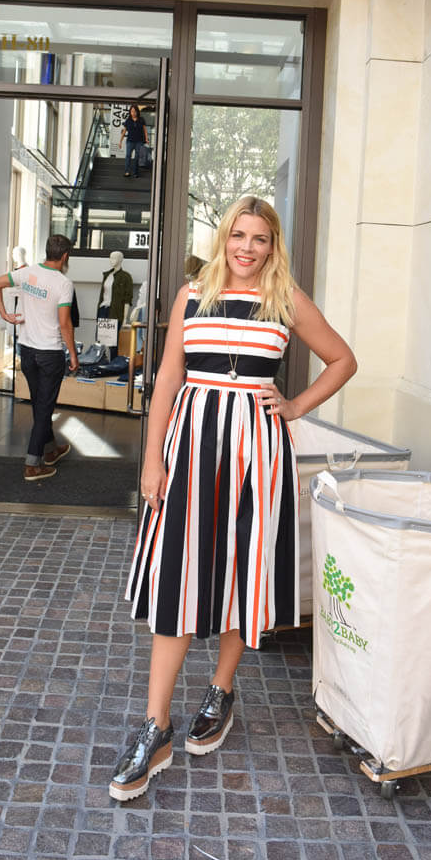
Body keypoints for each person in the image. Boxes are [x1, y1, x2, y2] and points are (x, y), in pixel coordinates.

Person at [109, 195, 357, 801]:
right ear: (224, 238)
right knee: (178, 577)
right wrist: (151, 459)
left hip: (258, 455)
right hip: (191, 450)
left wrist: (294, 406)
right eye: (239, 235)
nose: (247, 247)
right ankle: (155, 726)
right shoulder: (192, 295)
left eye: (260, 238)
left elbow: (342, 360)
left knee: (243, 573)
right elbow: (168, 379)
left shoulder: (285, 298)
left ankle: (221, 689)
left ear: (273, 246)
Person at [0, 234, 79, 482]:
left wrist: (4, 314)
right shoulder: (63, 283)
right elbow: (65, 323)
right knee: (44, 407)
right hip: (50, 353)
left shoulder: (27, 273)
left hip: (27, 351)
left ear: (47, 251)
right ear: (65, 256)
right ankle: (32, 464)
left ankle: (51, 450)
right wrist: (73, 353)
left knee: (40, 404)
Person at [97, 250, 134, 359]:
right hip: (103, 309)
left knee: (113, 342)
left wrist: (125, 318)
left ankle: (113, 363)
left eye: (114, 258)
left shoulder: (126, 277)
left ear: (120, 260)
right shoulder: (107, 275)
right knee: (101, 340)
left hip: (115, 312)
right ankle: (100, 362)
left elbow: (127, 299)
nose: (111, 260)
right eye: (110, 257)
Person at [119, 104, 148, 178]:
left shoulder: (141, 120)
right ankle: (127, 171)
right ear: (130, 112)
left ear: (137, 112)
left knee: (137, 157)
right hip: (130, 141)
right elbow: (124, 131)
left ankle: (135, 172)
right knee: (128, 156)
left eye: (135, 111)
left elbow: (145, 130)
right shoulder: (128, 120)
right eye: (132, 111)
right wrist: (120, 141)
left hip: (139, 141)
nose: (133, 113)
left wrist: (146, 139)